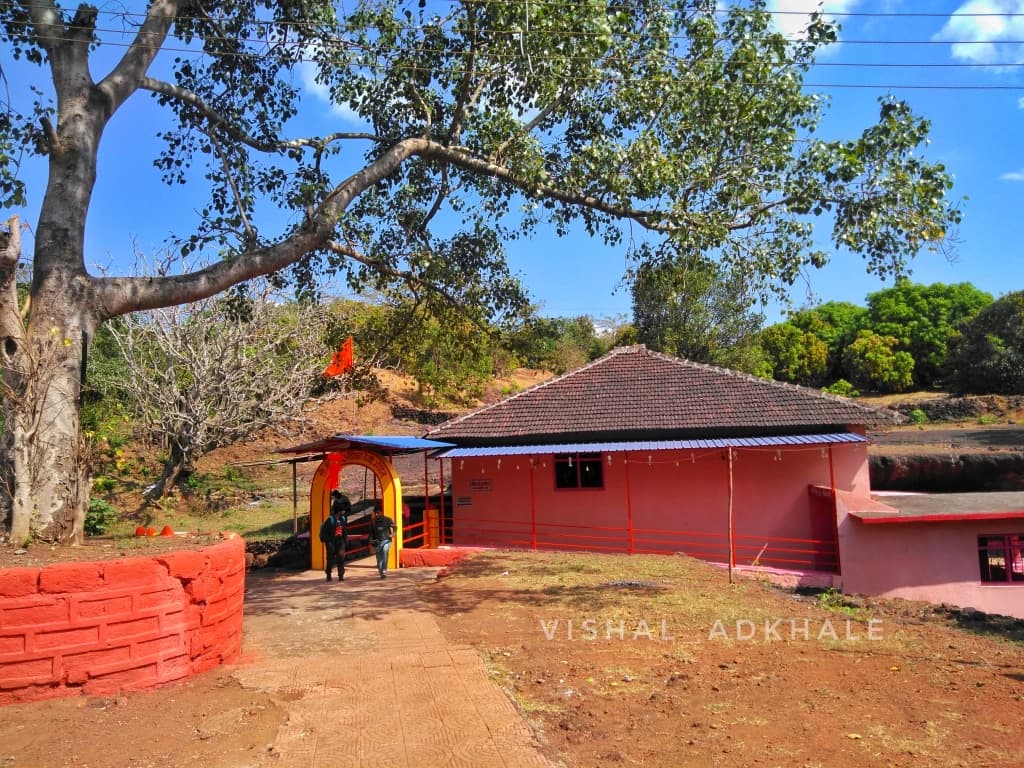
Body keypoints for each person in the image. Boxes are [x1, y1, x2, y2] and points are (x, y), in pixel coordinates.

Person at [321, 490, 350, 582]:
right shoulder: (330, 520)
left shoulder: (343, 519)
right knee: (330, 559)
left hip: (340, 541)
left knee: (341, 558)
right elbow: (324, 533)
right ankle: (328, 574)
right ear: (338, 511)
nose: (344, 511)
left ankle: (341, 575)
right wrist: (328, 543)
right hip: (331, 542)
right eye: (342, 510)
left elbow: (344, 531)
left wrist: (346, 541)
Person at [368, 504, 396, 579]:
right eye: (375, 513)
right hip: (377, 542)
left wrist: (393, 534)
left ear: (382, 512)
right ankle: (382, 573)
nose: (377, 514)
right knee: (379, 559)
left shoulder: (387, 519)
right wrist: (370, 541)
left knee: (385, 550)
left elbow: (394, 527)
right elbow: (370, 533)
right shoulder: (372, 522)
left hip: (387, 540)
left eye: (378, 512)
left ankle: (384, 571)